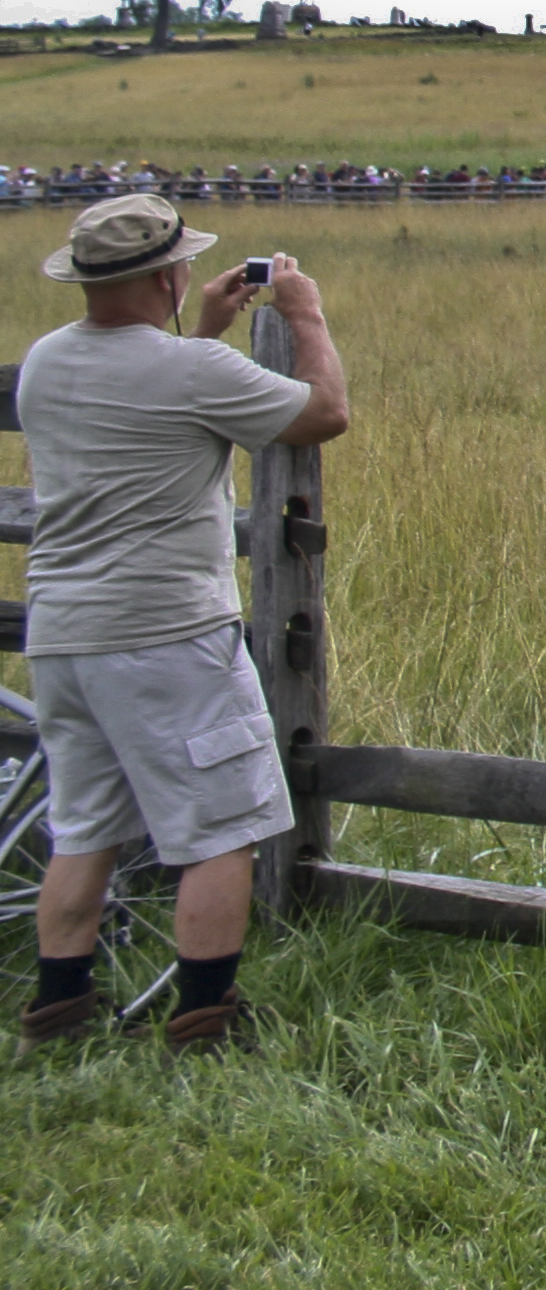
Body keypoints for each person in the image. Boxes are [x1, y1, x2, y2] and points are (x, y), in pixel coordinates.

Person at [18, 197, 352, 1058]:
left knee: (84, 823)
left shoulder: (47, 364)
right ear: (165, 276)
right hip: (165, 632)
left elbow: (153, 393)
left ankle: (58, 1014)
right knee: (223, 825)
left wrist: (199, 329)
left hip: (63, 634)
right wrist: (305, 313)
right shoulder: (187, 371)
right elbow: (321, 412)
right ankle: (206, 1019)